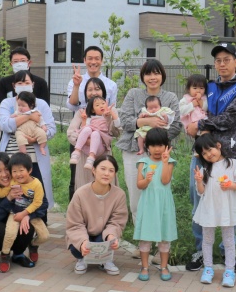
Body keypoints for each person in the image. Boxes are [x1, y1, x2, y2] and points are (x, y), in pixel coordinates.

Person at [185, 43, 236, 273]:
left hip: (229, 155)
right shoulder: (210, 87)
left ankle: (227, 251)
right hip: (203, 153)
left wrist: (200, 125)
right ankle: (200, 251)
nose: (222, 64)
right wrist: (194, 123)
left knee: (228, 202)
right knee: (200, 200)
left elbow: (229, 118)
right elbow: (197, 108)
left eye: (227, 59)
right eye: (218, 60)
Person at [114, 59, 182, 223]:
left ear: (162, 76)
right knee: (136, 192)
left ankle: (158, 230)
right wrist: (146, 122)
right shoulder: (133, 94)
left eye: (156, 73)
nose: (152, 77)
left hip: (160, 154)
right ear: (143, 77)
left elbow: (176, 125)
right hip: (133, 151)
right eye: (148, 74)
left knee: (159, 190)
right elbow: (125, 121)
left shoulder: (170, 97)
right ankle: (140, 231)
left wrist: (154, 141)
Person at [192, 134, 236, 288]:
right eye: (204, 153)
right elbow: (201, 192)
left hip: (227, 209)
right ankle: (208, 268)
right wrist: (199, 181)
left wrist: (231, 185)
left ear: (218, 146)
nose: (208, 155)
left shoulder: (232, 164)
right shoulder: (205, 168)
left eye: (210, 150)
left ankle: (229, 270)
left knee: (229, 240)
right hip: (209, 208)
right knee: (207, 240)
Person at [0, 71, 57, 209]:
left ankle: (39, 218)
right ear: (14, 86)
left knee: (37, 193)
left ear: (33, 85)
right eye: (20, 83)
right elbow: (4, 125)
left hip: (34, 158)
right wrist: (29, 117)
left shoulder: (41, 104)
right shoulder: (7, 103)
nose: (23, 85)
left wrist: (34, 139)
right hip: (11, 156)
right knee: (12, 193)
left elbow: (51, 129)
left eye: (27, 82)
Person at [66, 46, 118, 201]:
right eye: (90, 58)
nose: (93, 61)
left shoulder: (111, 85)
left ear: (102, 60)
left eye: (97, 58)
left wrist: (112, 118)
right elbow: (71, 105)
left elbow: (115, 128)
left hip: (103, 148)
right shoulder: (77, 83)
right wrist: (77, 85)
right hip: (82, 146)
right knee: (78, 180)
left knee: (104, 182)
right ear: (84, 60)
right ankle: (77, 210)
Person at [0, 153, 42, 273]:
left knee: (27, 225)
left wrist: (28, 215)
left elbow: (42, 204)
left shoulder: (24, 182)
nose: (4, 174)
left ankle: (18, 254)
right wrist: (8, 198)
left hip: (16, 220)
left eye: (7, 169)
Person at [66, 156, 128, 276]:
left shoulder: (119, 194)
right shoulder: (80, 194)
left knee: (107, 242)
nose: (106, 173)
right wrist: (83, 242)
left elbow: (117, 221)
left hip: (102, 235)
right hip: (84, 233)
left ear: (115, 174)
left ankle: (105, 260)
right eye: (103, 169)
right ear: (93, 170)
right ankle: (81, 259)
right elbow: (75, 224)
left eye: (111, 170)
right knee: (76, 246)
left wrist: (111, 236)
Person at [133, 128, 178, 282]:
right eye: (153, 145)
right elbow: (139, 185)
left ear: (166, 145)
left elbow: (165, 181)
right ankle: (144, 267)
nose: (157, 149)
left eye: (160, 145)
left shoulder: (169, 162)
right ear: (147, 146)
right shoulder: (143, 163)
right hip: (148, 204)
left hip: (164, 204)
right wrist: (147, 180)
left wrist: (165, 162)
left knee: (164, 237)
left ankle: (164, 267)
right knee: (145, 237)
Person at [0, 153, 50, 271]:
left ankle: (33, 245)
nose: (18, 174)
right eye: (14, 171)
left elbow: (38, 203)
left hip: (31, 213)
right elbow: (3, 192)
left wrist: (25, 214)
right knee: (10, 233)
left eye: (21, 170)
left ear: (30, 170)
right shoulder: (13, 181)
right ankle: (5, 255)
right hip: (15, 213)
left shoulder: (37, 184)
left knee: (45, 236)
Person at [0, 47, 50, 111]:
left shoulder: (41, 83)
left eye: (23, 61)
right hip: (11, 116)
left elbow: (45, 108)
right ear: (11, 64)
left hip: (36, 116)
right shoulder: (3, 82)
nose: (19, 64)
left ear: (29, 63)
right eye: (15, 61)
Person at [70, 96, 116, 170]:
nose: (101, 106)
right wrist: (84, 120)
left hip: (99, 147)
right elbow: (83, 131)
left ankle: (91, 158)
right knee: (87, 129)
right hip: (86, 147)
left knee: (95, 133)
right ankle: (76, 152)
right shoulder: (90, 119)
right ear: (93, 110)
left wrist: (109, 115)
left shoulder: (108, 118)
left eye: (103, 103)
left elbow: (110, 128)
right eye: (97, 105)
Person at [12, 91, 48, 155]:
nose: (20, 107)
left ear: (31, 105)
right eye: (19, 105)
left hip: (34, 129)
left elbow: (41, 120)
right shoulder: (17, 112)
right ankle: (23, 152)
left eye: (23, 106)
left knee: (42, 134)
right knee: (19, 138)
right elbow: (12, 119)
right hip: (21, 131)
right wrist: (12, 117)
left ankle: (42, 147)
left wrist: (43, 126)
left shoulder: (35, 112)